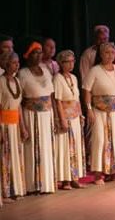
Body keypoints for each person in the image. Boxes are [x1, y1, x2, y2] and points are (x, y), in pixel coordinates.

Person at [83, 42, 115, 184]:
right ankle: (98, 173)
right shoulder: (95, 70)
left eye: (112, 52)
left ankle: (114, 172)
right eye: (106, 53)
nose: (110, 55)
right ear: (101, 54)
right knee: (100, 140)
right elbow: (87, 90)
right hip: (100, 111)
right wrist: (89, 109)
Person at [18, 41, 56, 194]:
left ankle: (46, 184)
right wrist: (22, 125)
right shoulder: (23, 73)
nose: (39, 54)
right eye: (35, 52)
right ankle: (32, 185)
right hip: (31, 115)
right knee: (32, 148)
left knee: (46, 148)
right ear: (27, 54)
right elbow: (18, 101)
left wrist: (57, 118)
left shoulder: (46, 70)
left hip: (47, 114)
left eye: (40, 51)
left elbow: (51, 95)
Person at [53, 50, 86, 190]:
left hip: (75, 116)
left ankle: (74, 177)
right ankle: (65, 179)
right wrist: (62, 119)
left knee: (76, 146)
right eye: (68, 61)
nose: (71, 64)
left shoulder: (73, 77)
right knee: (66, 148)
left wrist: (81, 114)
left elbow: (76, 98)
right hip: (65, 116)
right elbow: (58, 101)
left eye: (73, 61)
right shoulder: (58, 78)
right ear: (61, 63)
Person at [0, 52, 27, 202]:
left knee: (16, 157)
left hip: (15, 124)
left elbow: (19, 106)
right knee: (6, 158)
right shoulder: (1, 81)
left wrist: (22, 127)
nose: (16, 65)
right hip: (4, 124)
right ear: (5, 64)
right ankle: (5, 191)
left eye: (18, 62)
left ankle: (16, 188)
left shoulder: (16, 81)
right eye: (13, 62)